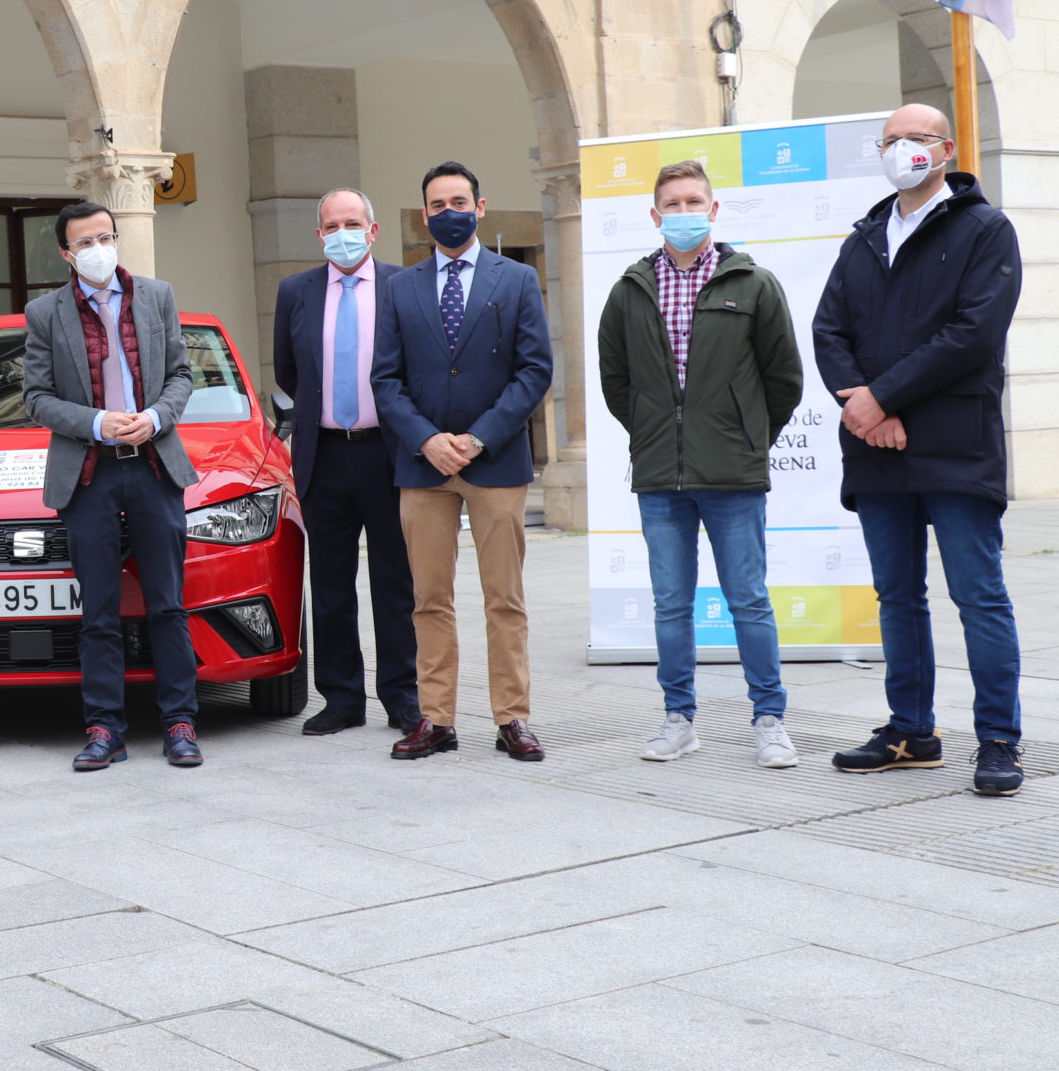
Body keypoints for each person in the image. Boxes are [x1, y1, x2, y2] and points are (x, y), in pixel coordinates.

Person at [813, 103, 1025, 796]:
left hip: (955, 443)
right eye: (891, 140)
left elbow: (973, 333)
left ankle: (999, 739)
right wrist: (866, 408)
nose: (902, 149)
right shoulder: (865, 238)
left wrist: (883, 398)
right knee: (897, 596)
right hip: (878, 449)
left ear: (947, 149)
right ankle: (911, 731)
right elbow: (829, 329)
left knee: (978, 595)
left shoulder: (984, 230)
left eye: (917, 138)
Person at [597, 159, 804, 769]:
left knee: (749, 601)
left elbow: (783, 378)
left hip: (733, 474)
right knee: (670, 604)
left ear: (712, 210)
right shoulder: (630, 289)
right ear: (655, 214)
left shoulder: (754, 284)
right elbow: (616, 381)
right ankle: (678, 719)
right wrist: (654, 434)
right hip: (661, 476)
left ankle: (769, 720)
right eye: (673, 204)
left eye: (694, 202)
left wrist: (744, 437)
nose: (683, 213)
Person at [373, 161, 553, 762]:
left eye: (458, 201)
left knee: (505, 598)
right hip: (423, 468)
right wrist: (427, 439)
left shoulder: (517, 279)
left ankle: (512, 718)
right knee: (429, 599)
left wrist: (477, 439)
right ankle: (436, 718)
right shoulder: (400, 287)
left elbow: (534, 371)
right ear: (424, 216)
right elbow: (385, 379)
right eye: (436, 204)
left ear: (480, 207)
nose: (448, 211)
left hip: (495, 464)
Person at [23, 201, 201, 770]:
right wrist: (98, 422)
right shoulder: (44, 313)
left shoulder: (157, 296)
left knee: (168, 605)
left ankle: (180, 723)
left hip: (153, 465)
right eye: (85, 242)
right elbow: (36, 398)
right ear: (66, 253)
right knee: (98, 611)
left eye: (106, 237)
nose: (98, 249)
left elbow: (181, 374)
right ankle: (104, 729)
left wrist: (157, 416)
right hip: (89, 473)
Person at [272, 187, 420, 736]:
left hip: (389, 454)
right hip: (325, 454)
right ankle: (341, 699)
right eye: (332, 226)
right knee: (331, 585)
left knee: (395, 583)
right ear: (319, 236)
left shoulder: (405, 286)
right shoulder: (296, 291)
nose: (343, 234)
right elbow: (288, 372)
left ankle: (403, 697)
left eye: (353, 224)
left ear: (373, 230)